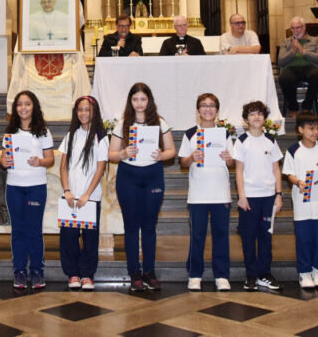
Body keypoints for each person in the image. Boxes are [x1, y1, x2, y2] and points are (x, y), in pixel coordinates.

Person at [108, 82, 176, 291]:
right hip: (128, 176)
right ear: (130, 101)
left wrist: (161, 155)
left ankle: (149, 271)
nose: (139, 103)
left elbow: (172, 151)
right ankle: (134, 272)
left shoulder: (159, 123)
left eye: (143, 99)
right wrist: (123, 154)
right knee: (131, 226)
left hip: (153, 176)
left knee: (149, 226)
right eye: (135, 99)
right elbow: (110, 154)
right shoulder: (122, 124)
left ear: (149, 101)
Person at [178, 93, 234, 291]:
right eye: (204, 105)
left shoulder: (225, 134)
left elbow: (233, 161)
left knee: (221, 234)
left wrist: (228, 158)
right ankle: (195, 274)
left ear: (217, 111)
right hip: (198, 194)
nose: (208, 109)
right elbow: (182, 162)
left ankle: (221, 275)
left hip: (221, 193)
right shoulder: (190, 133)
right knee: (197, 235)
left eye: (212, 106)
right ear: (198, 110)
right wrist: (192, 157)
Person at [0, 91, 55, 291]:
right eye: (19, 104)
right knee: (18, 231)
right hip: (14, 187)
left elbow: (50, 159)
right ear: (15, 109)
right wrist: (4, 161)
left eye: (27, 104)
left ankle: (37, 271)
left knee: (34, 230)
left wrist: (40, 161)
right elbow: (3, 159)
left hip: (35, 187)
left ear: (34, 107)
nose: (23, 107)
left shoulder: (43, 132)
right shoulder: (10, 132)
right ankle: (20, 272)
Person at [283, 112, 318, 289]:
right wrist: (298, 182)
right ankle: (304, 272)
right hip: (302, 202)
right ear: (300, 130)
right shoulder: (293, 150)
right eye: (310, 128)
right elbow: (289, 174)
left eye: (317, 128)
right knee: (304, 238)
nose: (315, 132)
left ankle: (317, 270)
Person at [58, 96, 108, 290]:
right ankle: (73, 274)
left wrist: (87, 194)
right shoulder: (71, 135)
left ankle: (87, 274)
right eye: (80, 109)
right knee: (68, 237)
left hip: (90, 197)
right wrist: (67, 191)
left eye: (87, 110)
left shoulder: (100, 137)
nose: (84, 113)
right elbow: (63, 167)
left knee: (89, 237)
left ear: (94, 112)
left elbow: (100, 168)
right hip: (70, 196)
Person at [233, 101, 283, 292]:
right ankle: (251, 275)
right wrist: (242, 196)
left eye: (260, 114)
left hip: (268, 196)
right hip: (250, 197)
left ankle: (265, 273)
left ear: (264, 118)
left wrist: (278, 194)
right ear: (246, 119)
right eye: (252, 114)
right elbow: (239, 171)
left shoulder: (270, 140)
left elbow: (276, 169)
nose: (256, 117)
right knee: (248, 236)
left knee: (265, 236)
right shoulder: (242, 140)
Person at [277, 17, 318, 115]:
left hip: (310, 67)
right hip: (291, 68)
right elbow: (281, 61)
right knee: (284, 78)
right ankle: (293, 107)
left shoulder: (315, 41)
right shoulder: (285, 42)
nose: (295, 30)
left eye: (298, 28)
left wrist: (303, 51)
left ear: (304, 27)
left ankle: (307, 106)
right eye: (293, 28)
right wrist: (293, 51)